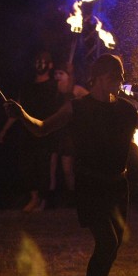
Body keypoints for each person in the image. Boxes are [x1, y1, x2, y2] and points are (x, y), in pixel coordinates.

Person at [4, 54, 138, 276]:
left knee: (111, 249)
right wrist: (21, 115)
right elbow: (41, 129)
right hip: (91, 185)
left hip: (118, 186)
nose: (122, 81)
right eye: (118, 75)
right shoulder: (77, 108)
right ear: (101, 77)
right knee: (107, 243)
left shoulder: (126, 110)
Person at [0, 50, 60, 212]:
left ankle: (44, 201)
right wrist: (4, 130)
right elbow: (16, 110)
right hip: (27, 133)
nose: (40, 64)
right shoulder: (27, 86)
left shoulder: (55, 85)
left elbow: (68, 92)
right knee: (28, 167)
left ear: (51, 65)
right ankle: (34, 198)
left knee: (44, 167)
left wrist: (71, 72)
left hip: (47, 132)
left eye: (44, 61)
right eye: (38, 60)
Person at [48, 61, 88, 207]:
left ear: (68, 75)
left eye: (61, 73)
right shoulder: (53, 90)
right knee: (51, 166)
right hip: (54, 130)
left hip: (69, 133)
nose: (58, 76)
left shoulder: (76, 89)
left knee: (67, 169)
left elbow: (91, 101)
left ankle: (74, 197)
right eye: (56, 73)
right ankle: (49, 200)